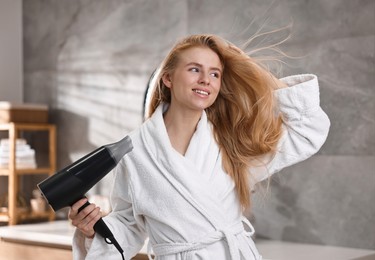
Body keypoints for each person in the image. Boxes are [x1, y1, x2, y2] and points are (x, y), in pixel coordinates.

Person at [69, 34, 330, 260]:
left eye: (215, 73)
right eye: (195, 69)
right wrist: (93, 229)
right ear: (168, 78)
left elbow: (306, 132)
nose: (206, 79)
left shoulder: (231, 141)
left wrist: (249, 69)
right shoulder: (135, 150)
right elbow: (129, 227)